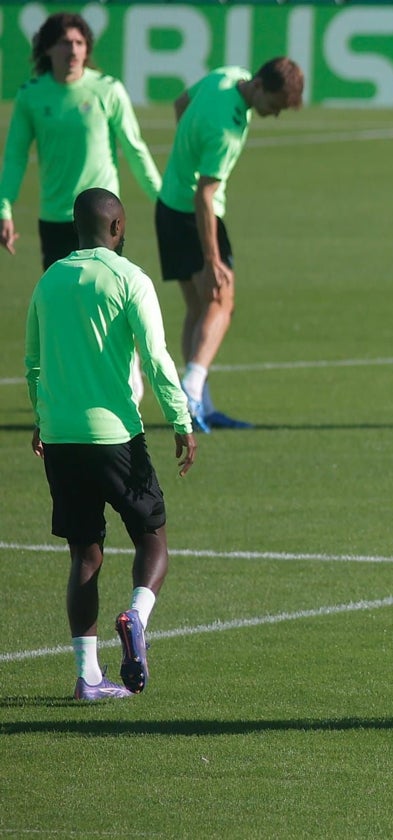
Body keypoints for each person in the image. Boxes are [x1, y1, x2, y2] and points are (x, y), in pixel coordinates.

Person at [25, 187, 197, 701]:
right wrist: (181, 419)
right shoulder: (129, 279)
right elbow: (157, 356)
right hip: (116, 437)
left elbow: (33, 364)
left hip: (60, 438)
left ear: (76, 229)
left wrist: (42, 416)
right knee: (153, 538)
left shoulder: (49, 281)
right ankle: (135, 617)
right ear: (117, 228)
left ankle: (88, 676)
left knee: (85, 554)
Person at [0, 12, 162, 403]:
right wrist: (4, 208)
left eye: (78, 42)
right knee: (66, 304)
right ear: (48, 49)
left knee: (111, 296)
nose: (72, 49)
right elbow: (16, 158)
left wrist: (163, 201)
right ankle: (74, 388)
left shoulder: (107, 89)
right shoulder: (32, 95)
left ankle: (128, 374)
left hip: (105, 221)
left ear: (87, 48)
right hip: (57, 219)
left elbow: (135, 148)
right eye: (64, 43)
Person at [155, 57, 305, 432]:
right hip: (195, 214)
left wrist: (187, 151)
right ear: (259, 88)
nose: (273, 116)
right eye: (274, 107)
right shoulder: (228, 130)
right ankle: (190, 390)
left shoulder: (228, 75)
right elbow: (205, 196)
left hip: (168, 205)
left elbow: (180, 103)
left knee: (199, 307)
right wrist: (212, 259)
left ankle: (199, 405)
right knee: (223, 301)